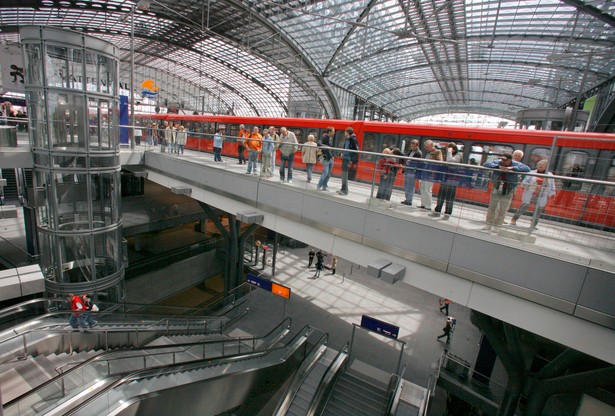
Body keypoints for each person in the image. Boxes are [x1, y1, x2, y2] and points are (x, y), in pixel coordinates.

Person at [482, 153, 531, 230]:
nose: (503, 161)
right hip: (497, 187)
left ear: (510, 160)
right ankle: (488, 224)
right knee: (492, 207)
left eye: (505, 160)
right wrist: (498, 167)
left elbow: (527, 169)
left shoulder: (516, 164)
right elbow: (486, 164)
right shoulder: (497, 162)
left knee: (503, 208)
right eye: (502, 159)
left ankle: (497, 225)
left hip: (508, 189)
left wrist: (512, 168)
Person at [510, 159, 556, 229]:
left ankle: (533, 225)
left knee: (538, 210)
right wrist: (530, 184)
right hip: (530, 193)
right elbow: (524, 182)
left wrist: (549, 195)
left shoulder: (550, 175)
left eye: (542, 165)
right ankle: (514, 219)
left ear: (546, 166)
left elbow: (552, 186)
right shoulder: (531, 172)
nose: (540, 166)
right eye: (539, 165)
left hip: (542, 195)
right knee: (524, 206)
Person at [430, 143, 462, 219]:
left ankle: (447, 213)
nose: (447, 150)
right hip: (445, 178)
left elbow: (450, 161)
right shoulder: (449, 154)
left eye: (448, 148)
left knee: (449, 197)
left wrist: (449, 152)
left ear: (452, 149)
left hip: (453, 180)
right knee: (441, 195)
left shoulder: (458, 155)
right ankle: (437, 211)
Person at [419, 140, 443, 210]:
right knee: (422, 188)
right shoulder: (427, 152)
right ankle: (423, 204)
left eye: (428, 147)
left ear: (432, 146)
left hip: (430, 173)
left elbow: (439, 162)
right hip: (424, 172)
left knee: (428, 189)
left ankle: (428, 205)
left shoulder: (437, 152)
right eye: (425, 147)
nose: (426, 149)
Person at [338, 127, 359, 195]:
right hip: (345, 158)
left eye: (345, 131)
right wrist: (342, 153)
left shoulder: (352, 139)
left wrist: (352, 160)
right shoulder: (348, 139)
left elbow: (355, 150)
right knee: (343, 174)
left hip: (348, 159)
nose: (344, 133)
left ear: (347, 132)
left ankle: (345, 190)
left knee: (345, 175)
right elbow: (345, 148)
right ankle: (343, 189)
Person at [402, 139, 422, 205]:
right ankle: (407, 199)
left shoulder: (418, 153)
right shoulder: (410, 151)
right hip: (407, 169)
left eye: (413, 146)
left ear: (417, 146)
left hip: (412, 171)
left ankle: (409, 200)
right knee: (406, 185)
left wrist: (409, 162)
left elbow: (417, 162)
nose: (412, 147)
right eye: (411, 146)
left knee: (410, 185)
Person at [317, 127, 335, 191]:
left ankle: (324, 186)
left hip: (330, 158)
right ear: (329, 132)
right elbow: (318, 143)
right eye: (333, 131)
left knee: (329, 174)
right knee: (325, 172)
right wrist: (326, 146)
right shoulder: (324, 137)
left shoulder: (330, 138)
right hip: (326, 158)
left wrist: (332, 156)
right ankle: (319, 186)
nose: (334, 133)